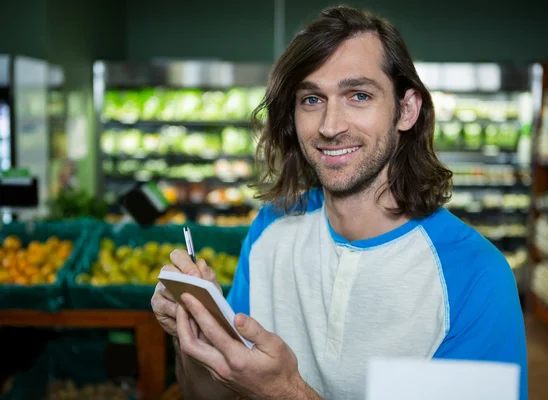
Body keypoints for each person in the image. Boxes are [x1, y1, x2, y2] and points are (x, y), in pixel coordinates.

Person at [151, 5, 528, 400]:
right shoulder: (270, 231)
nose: (330, 127)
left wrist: (287, 392)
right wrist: (194, 332)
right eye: (312, 100)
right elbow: (208, 395)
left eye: (359, 95)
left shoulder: (476, 277)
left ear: (406, 109)